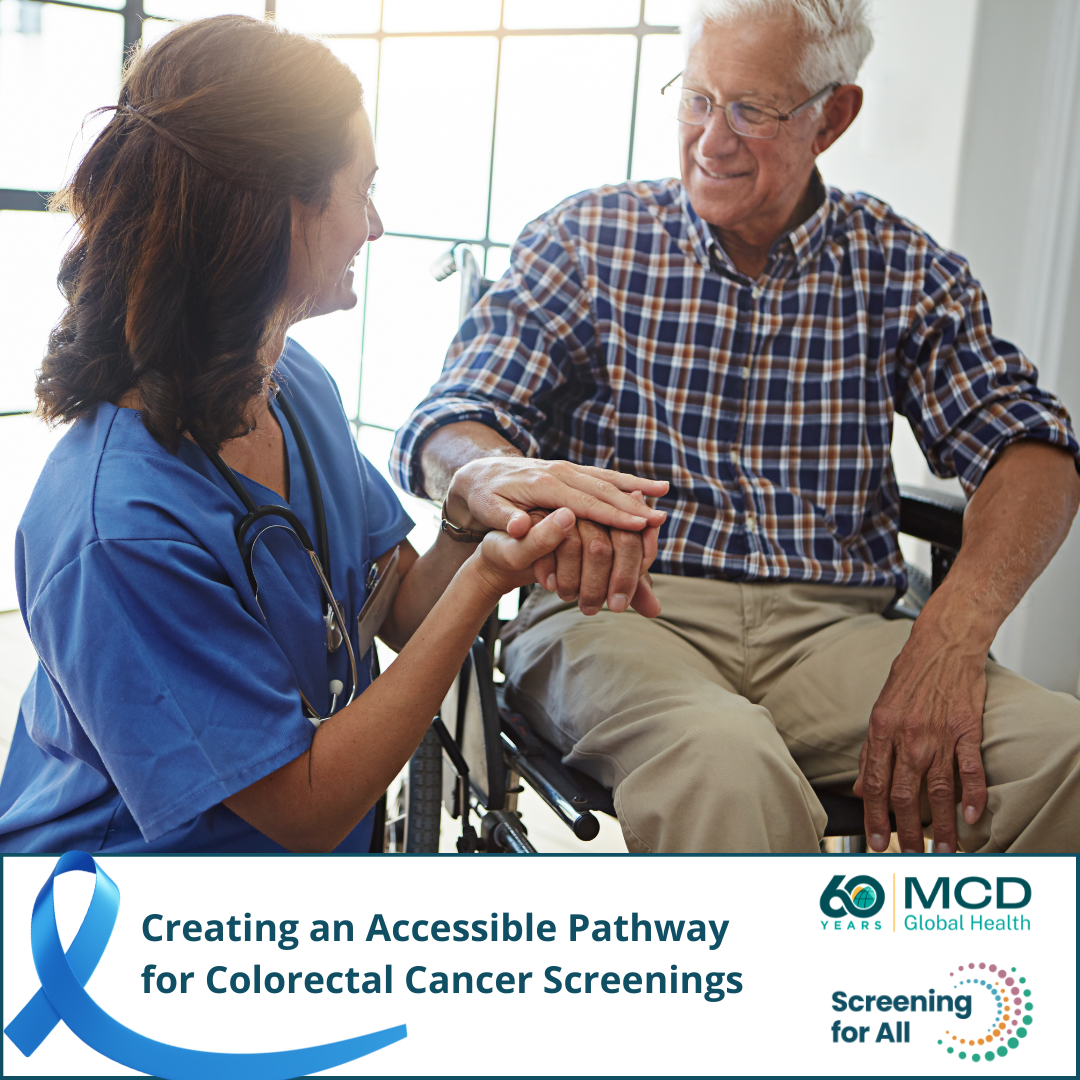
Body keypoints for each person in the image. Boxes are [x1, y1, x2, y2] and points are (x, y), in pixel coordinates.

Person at [392, 0, 1080, 853]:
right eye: (697, 99)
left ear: (833, 116)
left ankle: (951, 985)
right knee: (727, 760)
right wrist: (502, 477)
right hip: (618, 614)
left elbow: (1032, 447)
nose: (710, 141)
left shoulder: (900, 266)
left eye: (752, 110)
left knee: (1064, 754)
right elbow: (451, 421)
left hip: (836, 632)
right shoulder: (589, 239)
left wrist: (954, 628)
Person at [0, 16, 662, 854]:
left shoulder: (287, 385)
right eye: (363, 188)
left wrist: (471, 516)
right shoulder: (114, 528)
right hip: (127, 924)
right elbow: (306, 807)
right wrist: (486, 580)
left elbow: (401, 611)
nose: (375, 226)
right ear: (274, 209)